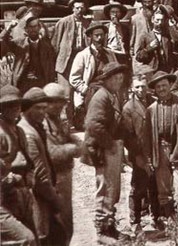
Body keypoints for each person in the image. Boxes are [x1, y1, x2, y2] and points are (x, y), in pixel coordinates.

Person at [81, 62, 129, 242]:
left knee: (112, 188)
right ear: (106, 79)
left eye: (121, 77)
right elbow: (93, 125)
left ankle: (109, 225)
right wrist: (110, 145)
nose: (119, 80)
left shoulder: (112, 95)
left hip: (109, 147)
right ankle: (102, 231)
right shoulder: (101, 97)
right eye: (115, 77)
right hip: (102, 149)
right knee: (106, 188)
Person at [143, 71, 178, 222]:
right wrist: (149, 158)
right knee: (163, 191)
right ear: (154, 89)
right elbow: (147, 137)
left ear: (170, 85)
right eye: (158, 87)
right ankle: (173, 223)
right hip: (160, 150)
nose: (161, 89)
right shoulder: (151, 110)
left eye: (164, 85)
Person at [18, 87, 65, 245]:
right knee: (43, 237)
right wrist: (54, 198)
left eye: (45, 108)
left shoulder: (36, 127)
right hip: (38, 197)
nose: (43, 112)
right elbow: (39, 174)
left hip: (44, 195)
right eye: (38, 108)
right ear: (26, 109)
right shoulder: (28, 133)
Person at [42, 83, 81, 245]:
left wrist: (77, 144)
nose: (58, 105)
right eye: (53, 101)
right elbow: (53, 153)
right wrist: (75, 148)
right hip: (53, 178)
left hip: (65, 176)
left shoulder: (58, 119)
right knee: (56, 224)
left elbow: (70, 137)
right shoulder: (43, 123)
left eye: (61, 102)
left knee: (66, 223)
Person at [0, 85, 38, 245]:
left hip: (22, 192)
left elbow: (29, 160)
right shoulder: (1, 133)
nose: (15, 108)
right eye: (9, 105)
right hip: (5, 193)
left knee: (34, 237)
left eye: (17, 104)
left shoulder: (20, 131)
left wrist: (29, 175)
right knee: (25, 238)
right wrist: (10, 178)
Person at [121, 75, 160, 231]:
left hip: (156, 150)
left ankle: (155, 218)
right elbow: (128, 136)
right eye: (137, 86)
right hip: (139, 153)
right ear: (132, 88)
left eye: (143, 86)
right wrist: (137, 156)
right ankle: (135, 220)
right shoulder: (128, 108)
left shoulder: (155, 102)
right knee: (138, 187)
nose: (140, 89)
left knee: (155, 186)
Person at [69, 22, 118, 129]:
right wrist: (86, 90)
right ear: (91, 36)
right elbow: (74, 78)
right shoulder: (83, 55)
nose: (99, 38)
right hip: (90, 92)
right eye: (96, 35)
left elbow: (116, 73)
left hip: (108, 91)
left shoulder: (110, 54)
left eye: (102, 35)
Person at [52, 0, 90, 121]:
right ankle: (65, 121)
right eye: (77, 8)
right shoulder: (63, 22)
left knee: (80, 92)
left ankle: (79, 120)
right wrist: (57, 61)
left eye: (82, 8)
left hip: (80, 60)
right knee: (66, 94)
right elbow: (55, 44)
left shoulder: (87, 23)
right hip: (66, 61)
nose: (79, 10)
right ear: (73, 9)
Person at [1, 16, 56, 92]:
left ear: (39, 28)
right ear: (26, 29)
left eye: (35, 26)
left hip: (42, 82)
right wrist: (9, 28)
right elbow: (2, 40)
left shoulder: (47, 46)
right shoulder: (19, 43)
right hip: (24, 82)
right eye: (30, 27)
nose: (33, 29)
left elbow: (51, 65)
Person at [134, 8, 178, 73]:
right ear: (152, 19)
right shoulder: (145, 36)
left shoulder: (168, 35)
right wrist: (148, 49)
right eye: (157, 20)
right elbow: (138, 57)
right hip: (152, 70)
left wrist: (170, 25)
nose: (159, 23)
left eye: (162, 20)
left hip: (167, 70)